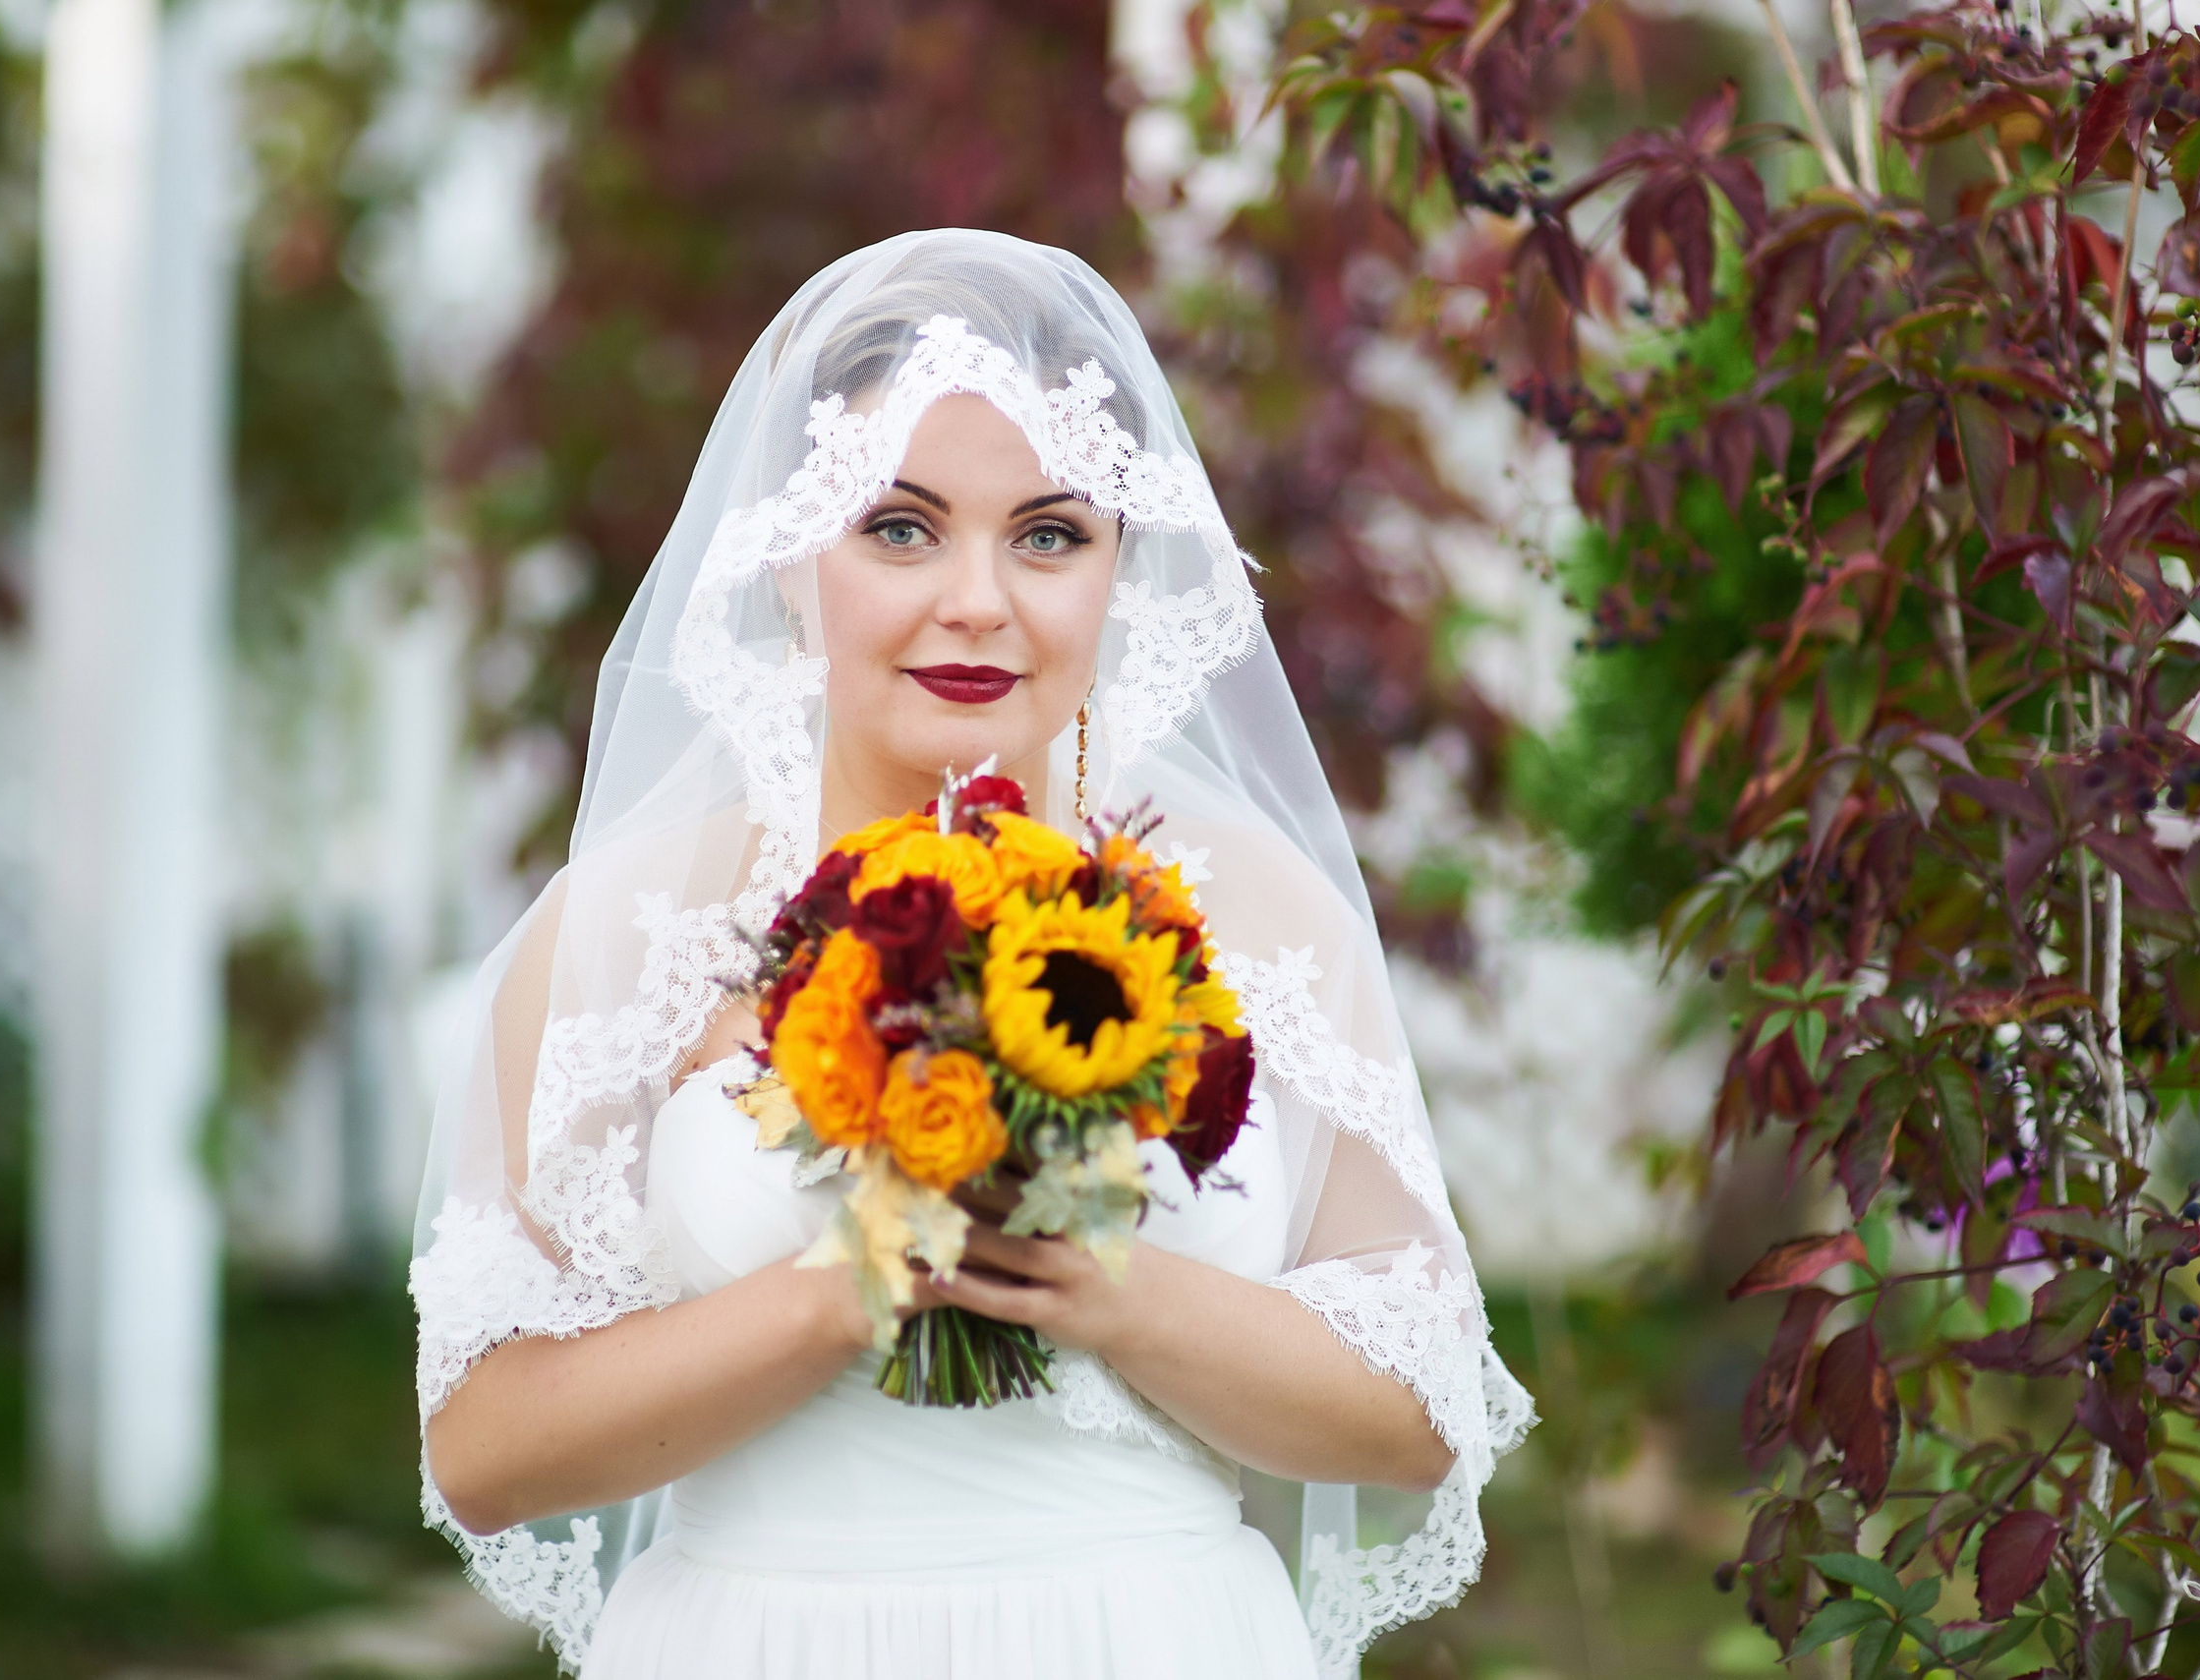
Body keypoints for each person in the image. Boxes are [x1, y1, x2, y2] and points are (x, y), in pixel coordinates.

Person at [408, 229, 1532, 1680]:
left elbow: (1418, 1412)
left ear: (1119, 566)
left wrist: (1096, 1285)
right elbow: (489, 1446)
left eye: (1051, 534)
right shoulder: (634, 926)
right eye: (900, 527)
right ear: (794, 557)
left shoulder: (1262, 916)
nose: (981, 600)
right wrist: (845, 1286)